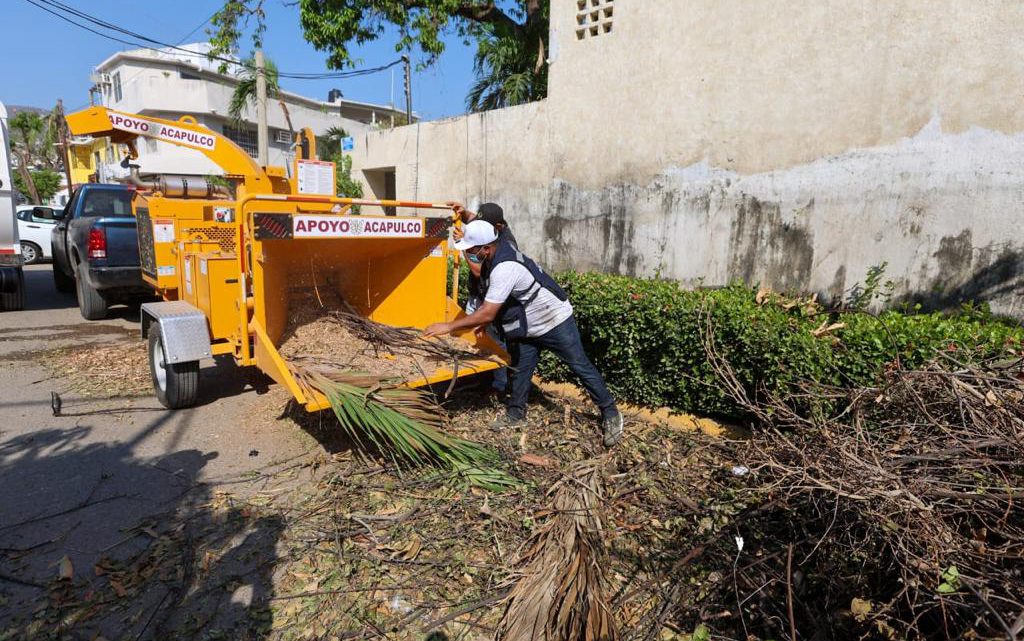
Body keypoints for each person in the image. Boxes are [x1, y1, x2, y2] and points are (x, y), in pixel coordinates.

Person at [425, 220, 624, 447]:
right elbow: (494, 300)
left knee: (580, 366)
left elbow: (488, 312)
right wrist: (481, 319)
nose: (469, 254)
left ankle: (610, 412)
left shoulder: (504, 267)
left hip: (554, 319)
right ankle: (515, 414)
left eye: (471, 250)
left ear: (486, 248)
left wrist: (449, 326)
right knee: (521, 370)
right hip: (528, 323)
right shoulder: (497, 252)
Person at [450, 202, 516, 396]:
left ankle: (499, 384)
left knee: (495, 341)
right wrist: (464, 213)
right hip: (477, 295)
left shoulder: (506, 244)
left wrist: (465, 246)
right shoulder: (490, 227)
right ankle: (474, 376)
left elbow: (479, 271)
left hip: (490, 300)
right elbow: (474, 220)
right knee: (470, 337)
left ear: (497, 228)